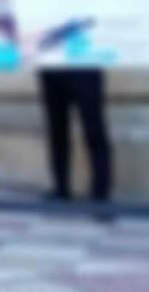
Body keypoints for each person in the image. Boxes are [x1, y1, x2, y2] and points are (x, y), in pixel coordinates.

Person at [37, 65, 112, 205]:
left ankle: (101, 194)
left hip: (84, 67)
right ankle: (61, 189)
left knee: (94, 131)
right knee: (57, 131)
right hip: (52, 69)